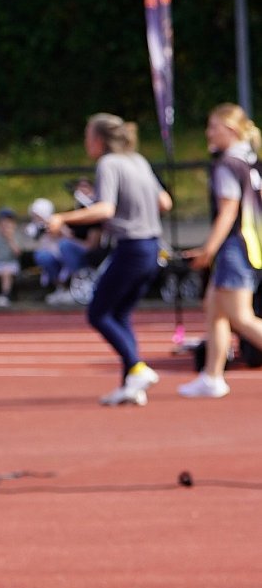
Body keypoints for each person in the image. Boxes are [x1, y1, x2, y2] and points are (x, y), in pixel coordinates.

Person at [45, 114, 172, 406]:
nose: (85, 142)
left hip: (132, 247)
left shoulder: (109, 164)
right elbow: (165, 202)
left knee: (98, 313)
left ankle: (137, 367)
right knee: (121, 314)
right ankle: (131, 384)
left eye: (87, 136)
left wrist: (63, 217)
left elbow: (105, 209)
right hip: (152, 246)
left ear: (98, 139)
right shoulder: (138, 160)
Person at [179, 103, 262, 399]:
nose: (208, 132)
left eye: (213, 126)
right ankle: (212, 376)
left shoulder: (227, 164)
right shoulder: (251, 162)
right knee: (214, 309)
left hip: (235, 247)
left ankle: (212, 376)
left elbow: (228, 211)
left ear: (230, 129)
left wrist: (208, 250)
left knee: (241, 317)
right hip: (250, 245)